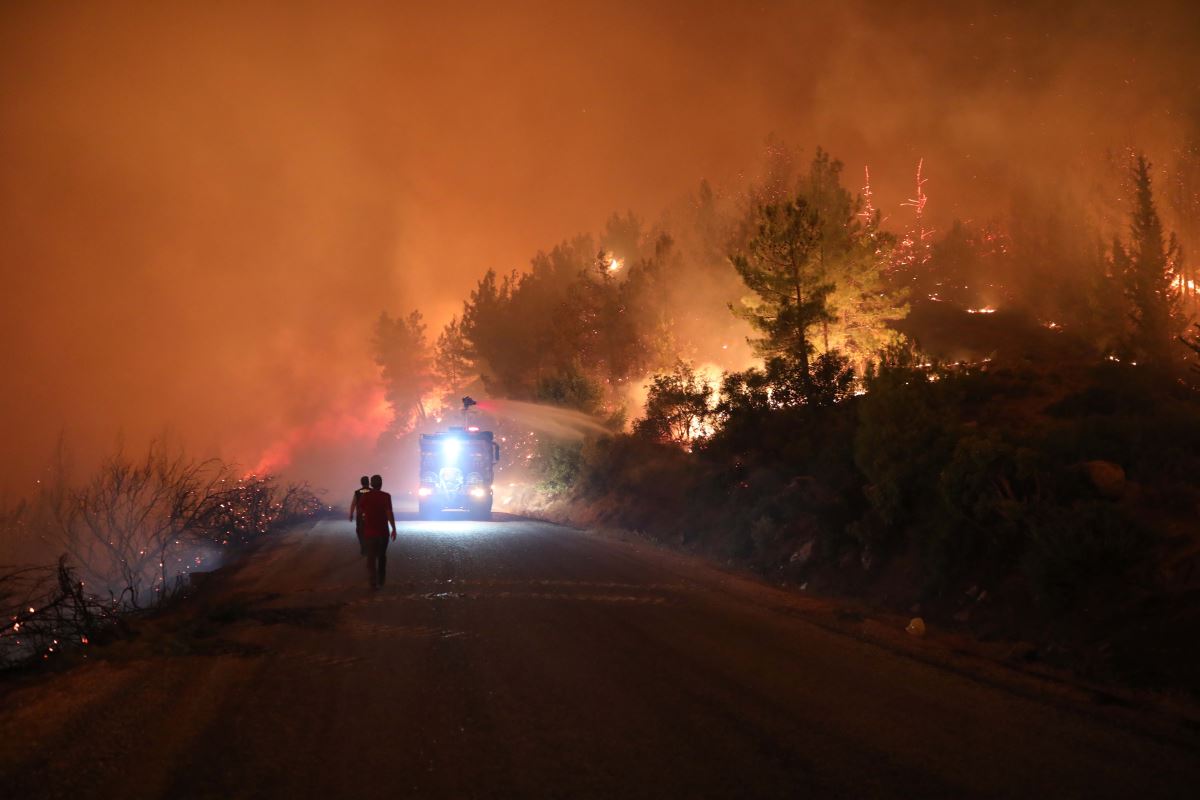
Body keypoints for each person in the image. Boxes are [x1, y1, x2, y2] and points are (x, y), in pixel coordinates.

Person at [357, 474, 396, 589]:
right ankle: (381, 578)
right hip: (383, 531)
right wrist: (393, 528)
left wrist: (364, 518)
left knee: (371, 557)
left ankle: (372, 580)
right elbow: (389, 513)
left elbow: (360, 510)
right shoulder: (386, 496)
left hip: (369, 532)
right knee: (382, 556)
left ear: (371, 484)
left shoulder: (365, 496)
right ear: (381, 484)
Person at [348, 476, 371, 556]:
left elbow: (353, 504)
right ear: (369, 482)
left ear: (361, 483)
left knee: (360, 531)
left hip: (360, 516)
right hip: (371, 516)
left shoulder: (357, 492)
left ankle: (363, 547)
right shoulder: (373, 491)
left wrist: (351, 514)